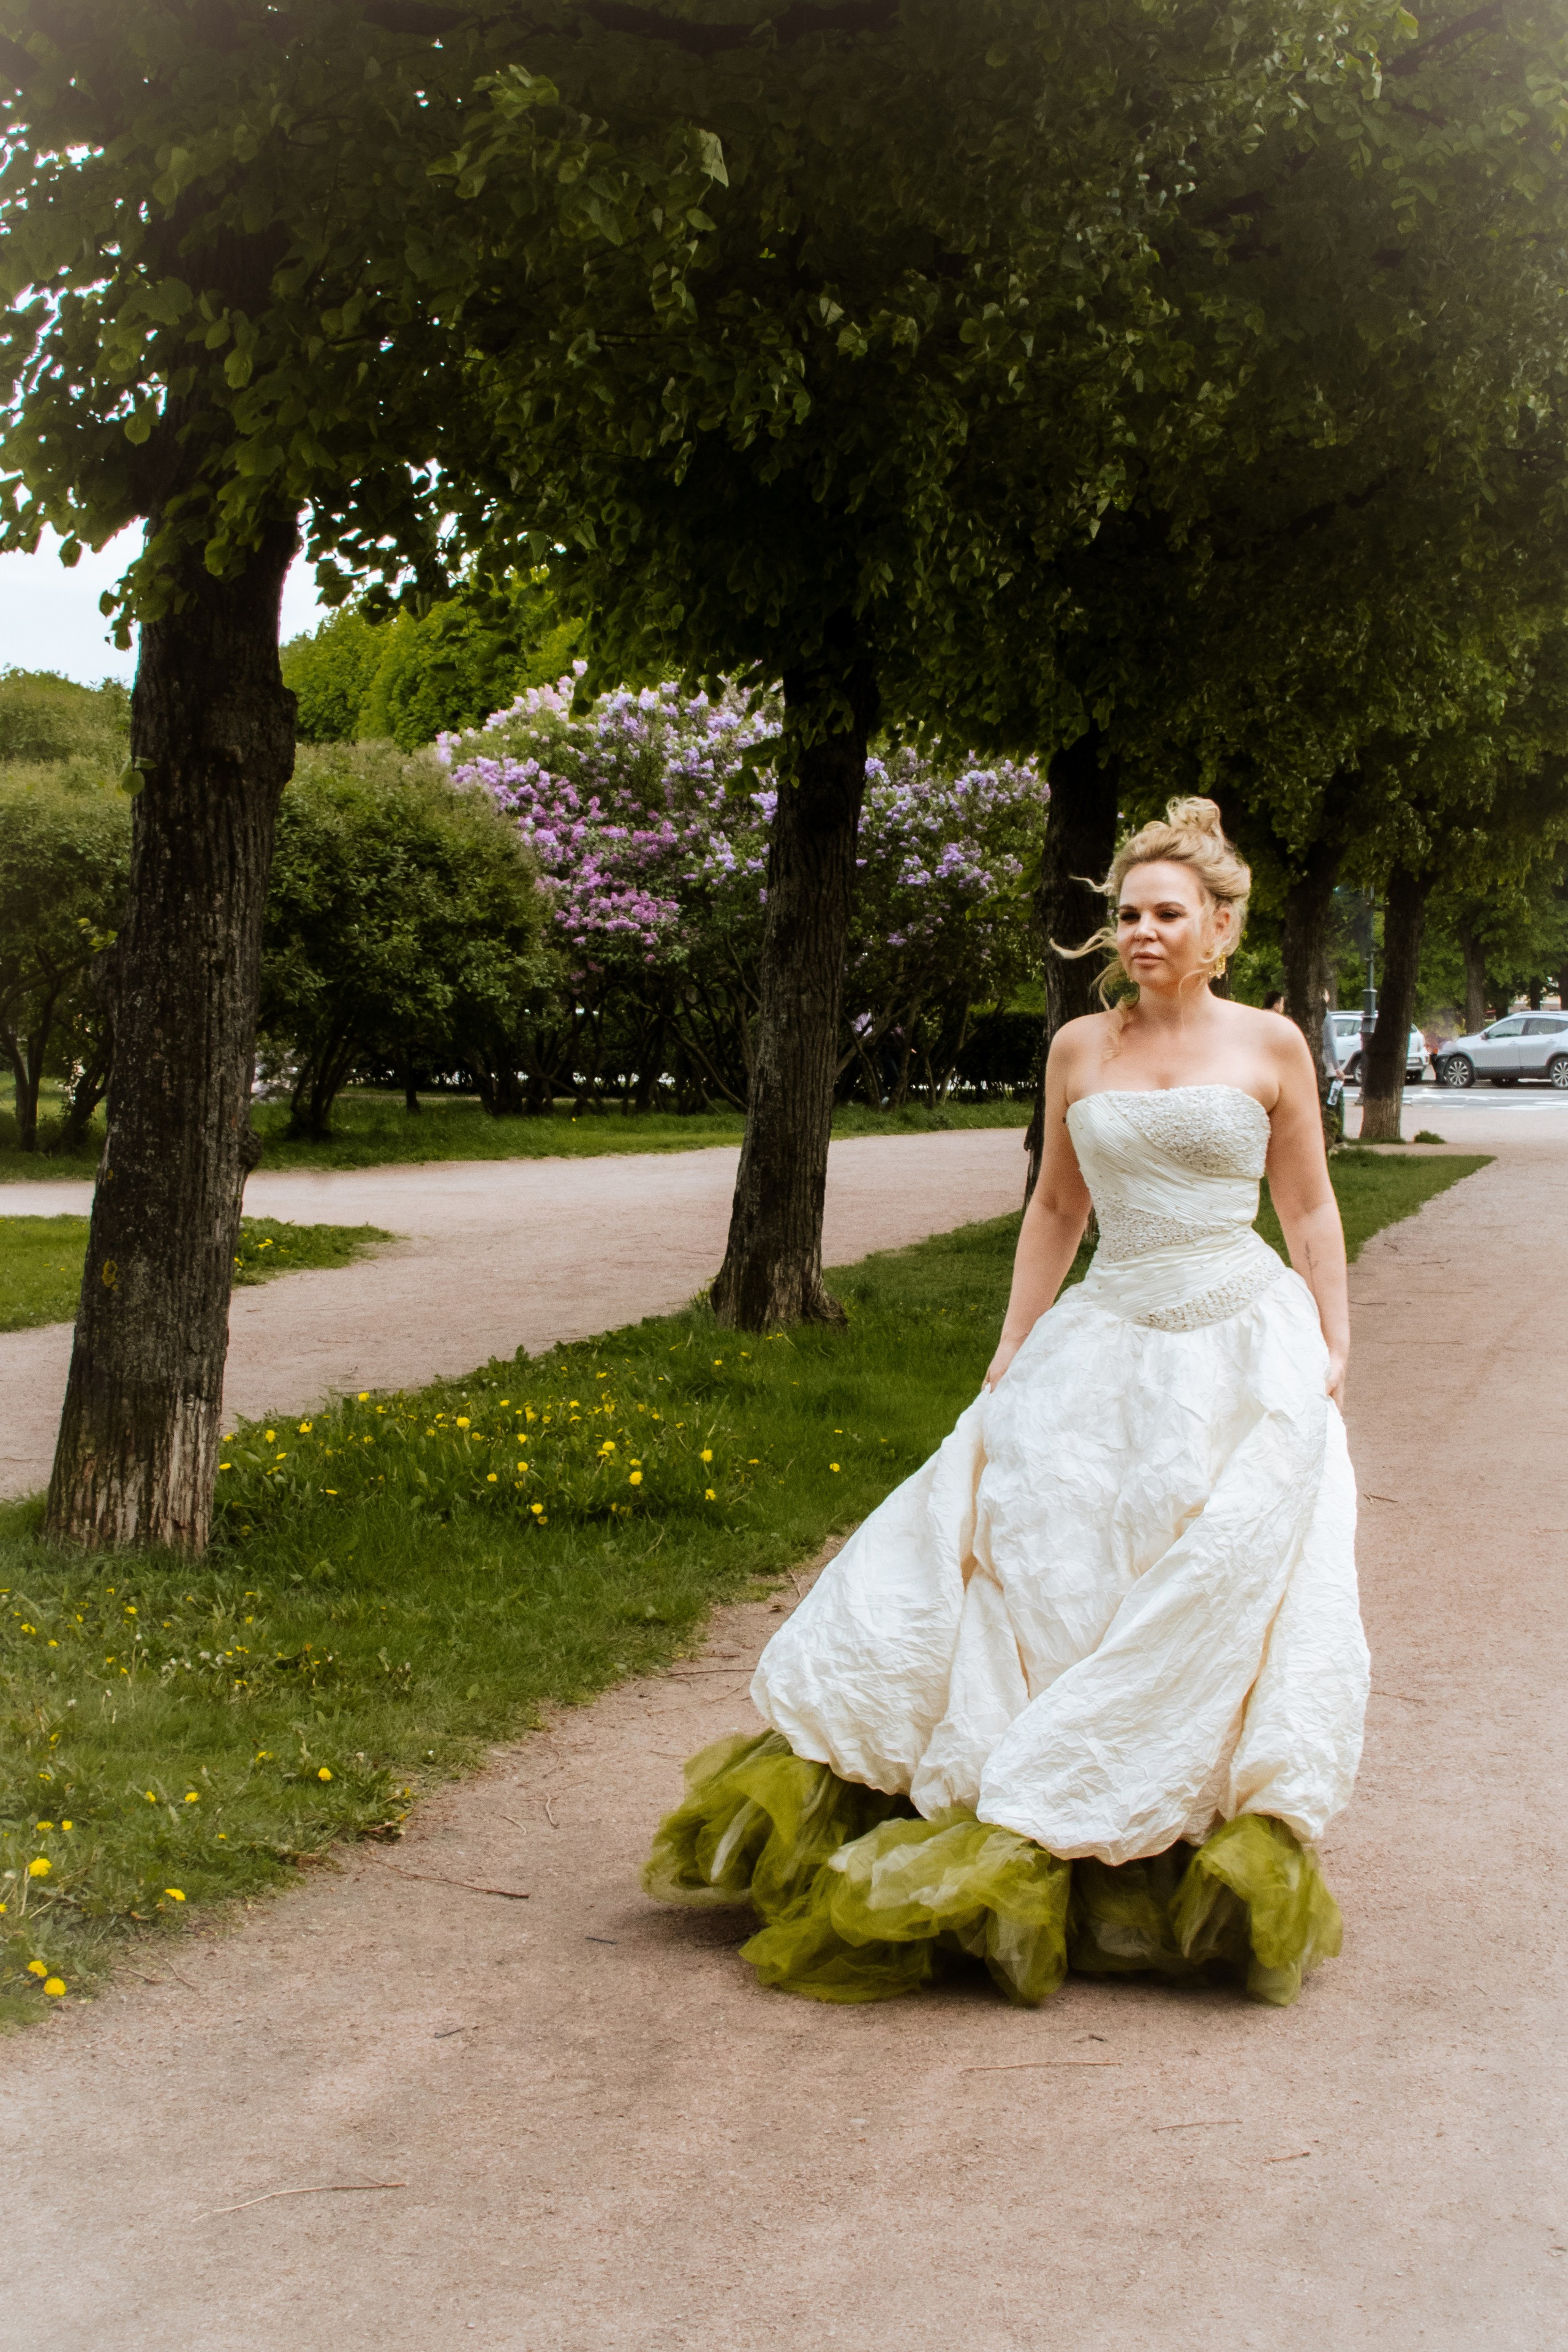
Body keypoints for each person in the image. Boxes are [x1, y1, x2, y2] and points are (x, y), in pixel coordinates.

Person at [645, 797, 1368, 2010]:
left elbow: (1306, 1214)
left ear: (1218, 927)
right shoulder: (1079, 1049)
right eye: (1125, 914)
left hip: (1235, 1340)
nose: (1139, 931)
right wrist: (1010, 1345)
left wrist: (1330, 1342)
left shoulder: (1270, 1047)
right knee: (1020, 1543)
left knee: (1206, 1575)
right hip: (1105, 1325)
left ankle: (1163, 1826)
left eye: (1164, 914)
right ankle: (996, 1784)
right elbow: (1054, 1212)